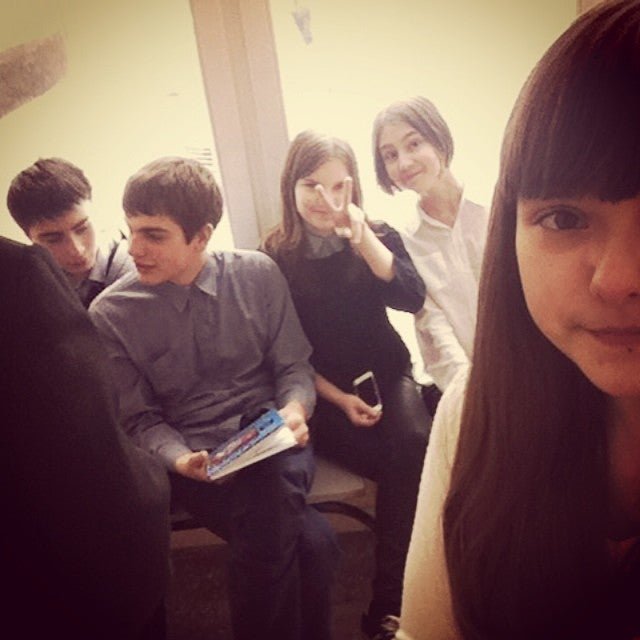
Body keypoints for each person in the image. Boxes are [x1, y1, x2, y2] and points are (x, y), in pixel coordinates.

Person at [395, 1, 640, 638]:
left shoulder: (470, 217)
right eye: (564, 218)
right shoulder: (477, 413)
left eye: (412, 143)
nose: (618, 278)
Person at [89, 156, 338, 640]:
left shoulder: (257, 275)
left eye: (153, 235)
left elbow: (293, 367)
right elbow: (138, 420)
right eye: (131, 231)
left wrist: (294, 410)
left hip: (273, 439)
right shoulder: (111, 314)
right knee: (315, 544)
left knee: (271, 473)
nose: (134, 249)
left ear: (201, 236)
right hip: (198, 462)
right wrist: (182, 461)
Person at [262, 131, 432, 640]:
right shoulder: (275, 256)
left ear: (353, 186)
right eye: (312, 185)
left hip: (388, 372)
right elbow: (284, 352)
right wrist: (338, 399)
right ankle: (397, 604)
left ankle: (389, 604)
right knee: (405, 466)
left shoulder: (374, 235)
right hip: (324, 392)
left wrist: (361, 238)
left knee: (414, 444)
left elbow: (410, 298)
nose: (326, 199)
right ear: (291, 187)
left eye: (339, 186)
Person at [0, 236, 171, 639]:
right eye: (54, 237)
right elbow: (89, 440)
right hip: (61, 574)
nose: (77, 249)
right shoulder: (17, 276)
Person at [372, 96, 489, 411]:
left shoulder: (496, 209)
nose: (404, 163)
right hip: (465, 391)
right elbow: (433, 325)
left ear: (438, 138)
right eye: (390, 155)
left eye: (414, 144)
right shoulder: (406, 239)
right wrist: (471, 392)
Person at [6, 157, 132, 307]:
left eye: (83, 228)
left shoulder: (138, 268)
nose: (76, 249)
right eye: (53, 240)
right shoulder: (27, 289)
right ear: (30, 238)